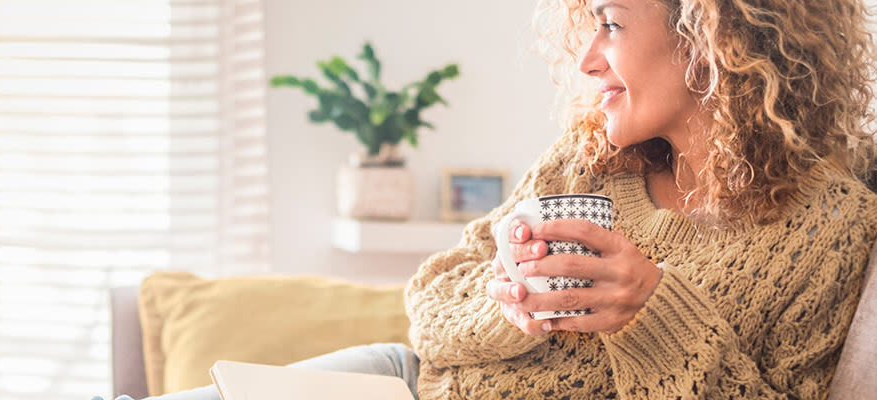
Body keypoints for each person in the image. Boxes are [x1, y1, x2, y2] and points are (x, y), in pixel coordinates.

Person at [98, 0, 877, 398]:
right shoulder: (591, 158)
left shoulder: (829, 226)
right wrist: (508, 298)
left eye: (609, 22)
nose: (589, 56)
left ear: (710, 31)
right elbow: (428, 309)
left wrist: (654, 314)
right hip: (402, 383)